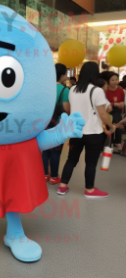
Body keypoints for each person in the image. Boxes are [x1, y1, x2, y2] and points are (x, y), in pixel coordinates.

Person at [58, 62, 116, 198]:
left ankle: (62, 186)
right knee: (90, 163)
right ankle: (89, 190)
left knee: (71, 159)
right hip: (93, 133)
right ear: (95, 74)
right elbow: (103, 114)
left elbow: (70, 108)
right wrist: (111, 125)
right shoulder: (97, 91)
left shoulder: (73, 89)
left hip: (76, 131)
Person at [42, 63, 70, 185]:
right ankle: (54, 177)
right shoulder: (65, 90)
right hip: (57, 124)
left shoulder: (44, 88)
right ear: (62, 75)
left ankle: (44, 175)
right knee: (55, 151)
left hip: (43, 123)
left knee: (45, 150)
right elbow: (66, 109)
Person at [104, 72, 125, 153]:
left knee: (118, 121)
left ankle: (116, 141)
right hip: (108, 110)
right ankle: (115, 142)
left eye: (116, 79)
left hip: (118, 111)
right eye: (112, 80)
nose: (115, 81)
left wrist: (121, 104)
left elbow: (123, 101)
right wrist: (113, 104)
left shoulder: (120, 90)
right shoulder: (105, 90)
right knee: (115, 122)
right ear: (108, 81)